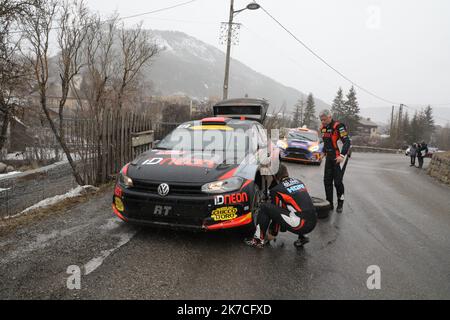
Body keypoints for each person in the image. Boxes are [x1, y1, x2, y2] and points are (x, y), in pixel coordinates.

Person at [245, 164, 317, 249]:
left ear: (275, 176)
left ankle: (257, 241)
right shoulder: (299, 182)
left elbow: (276, 217)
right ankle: (303, 236)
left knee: (264, 207)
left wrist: (273, 233)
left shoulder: (277, 189)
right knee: (298, 207)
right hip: (313, 221)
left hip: (301, 225)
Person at [319, 109, 351, 213]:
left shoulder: (339, 126)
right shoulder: (323, 128)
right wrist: (323, 152)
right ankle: (329, 203)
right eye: (321, 120)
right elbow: (326, 142)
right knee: (327, 181)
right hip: (329, 157)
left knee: (337, 182)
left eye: (324, 120)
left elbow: (347, 142)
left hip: (338, 157)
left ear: (330, 117)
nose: (322, 122)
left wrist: (342, 155)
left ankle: (340, 202)